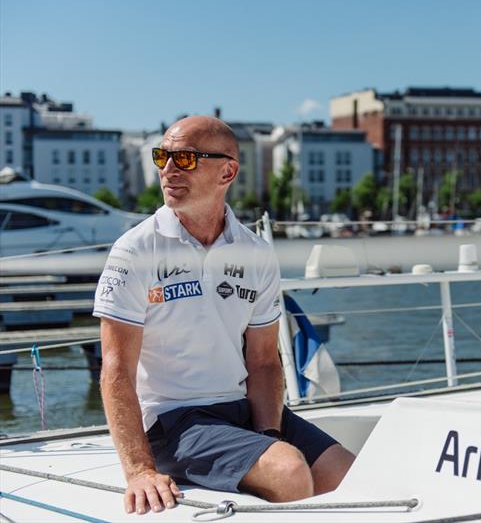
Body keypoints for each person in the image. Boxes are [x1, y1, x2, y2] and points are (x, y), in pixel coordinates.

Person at [93, 115, 354, 515]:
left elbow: (265, 361)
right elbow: (115, 370)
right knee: (288, 472)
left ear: (228, 170)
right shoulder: (135, 250)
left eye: (185, 159)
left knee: (349, 476)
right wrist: (139, 471)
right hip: (172, 423)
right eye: (162, 157)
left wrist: (268, 434)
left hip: (240, 411)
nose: (167, 170)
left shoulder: (254, 252)